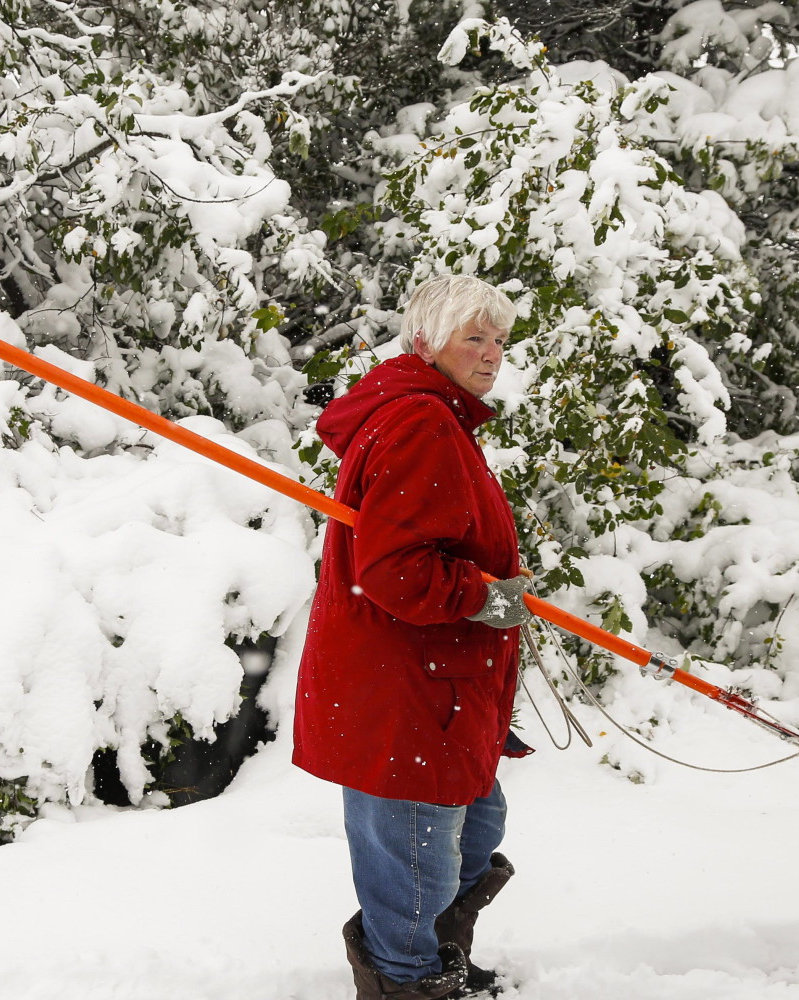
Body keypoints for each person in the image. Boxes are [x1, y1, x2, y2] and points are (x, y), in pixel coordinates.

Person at [294, 274, 536, 1000]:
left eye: (499, 340)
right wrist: (483, 597)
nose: (493, 354)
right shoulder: (422, 423)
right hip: (409, 683)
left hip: (435, 680)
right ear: (427, 341)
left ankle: (434, 954)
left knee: (474, 818)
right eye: (475, 338)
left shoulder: (435, 418)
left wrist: (490, 590)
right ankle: (408, 982)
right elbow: (398, 572)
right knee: (419, 846)